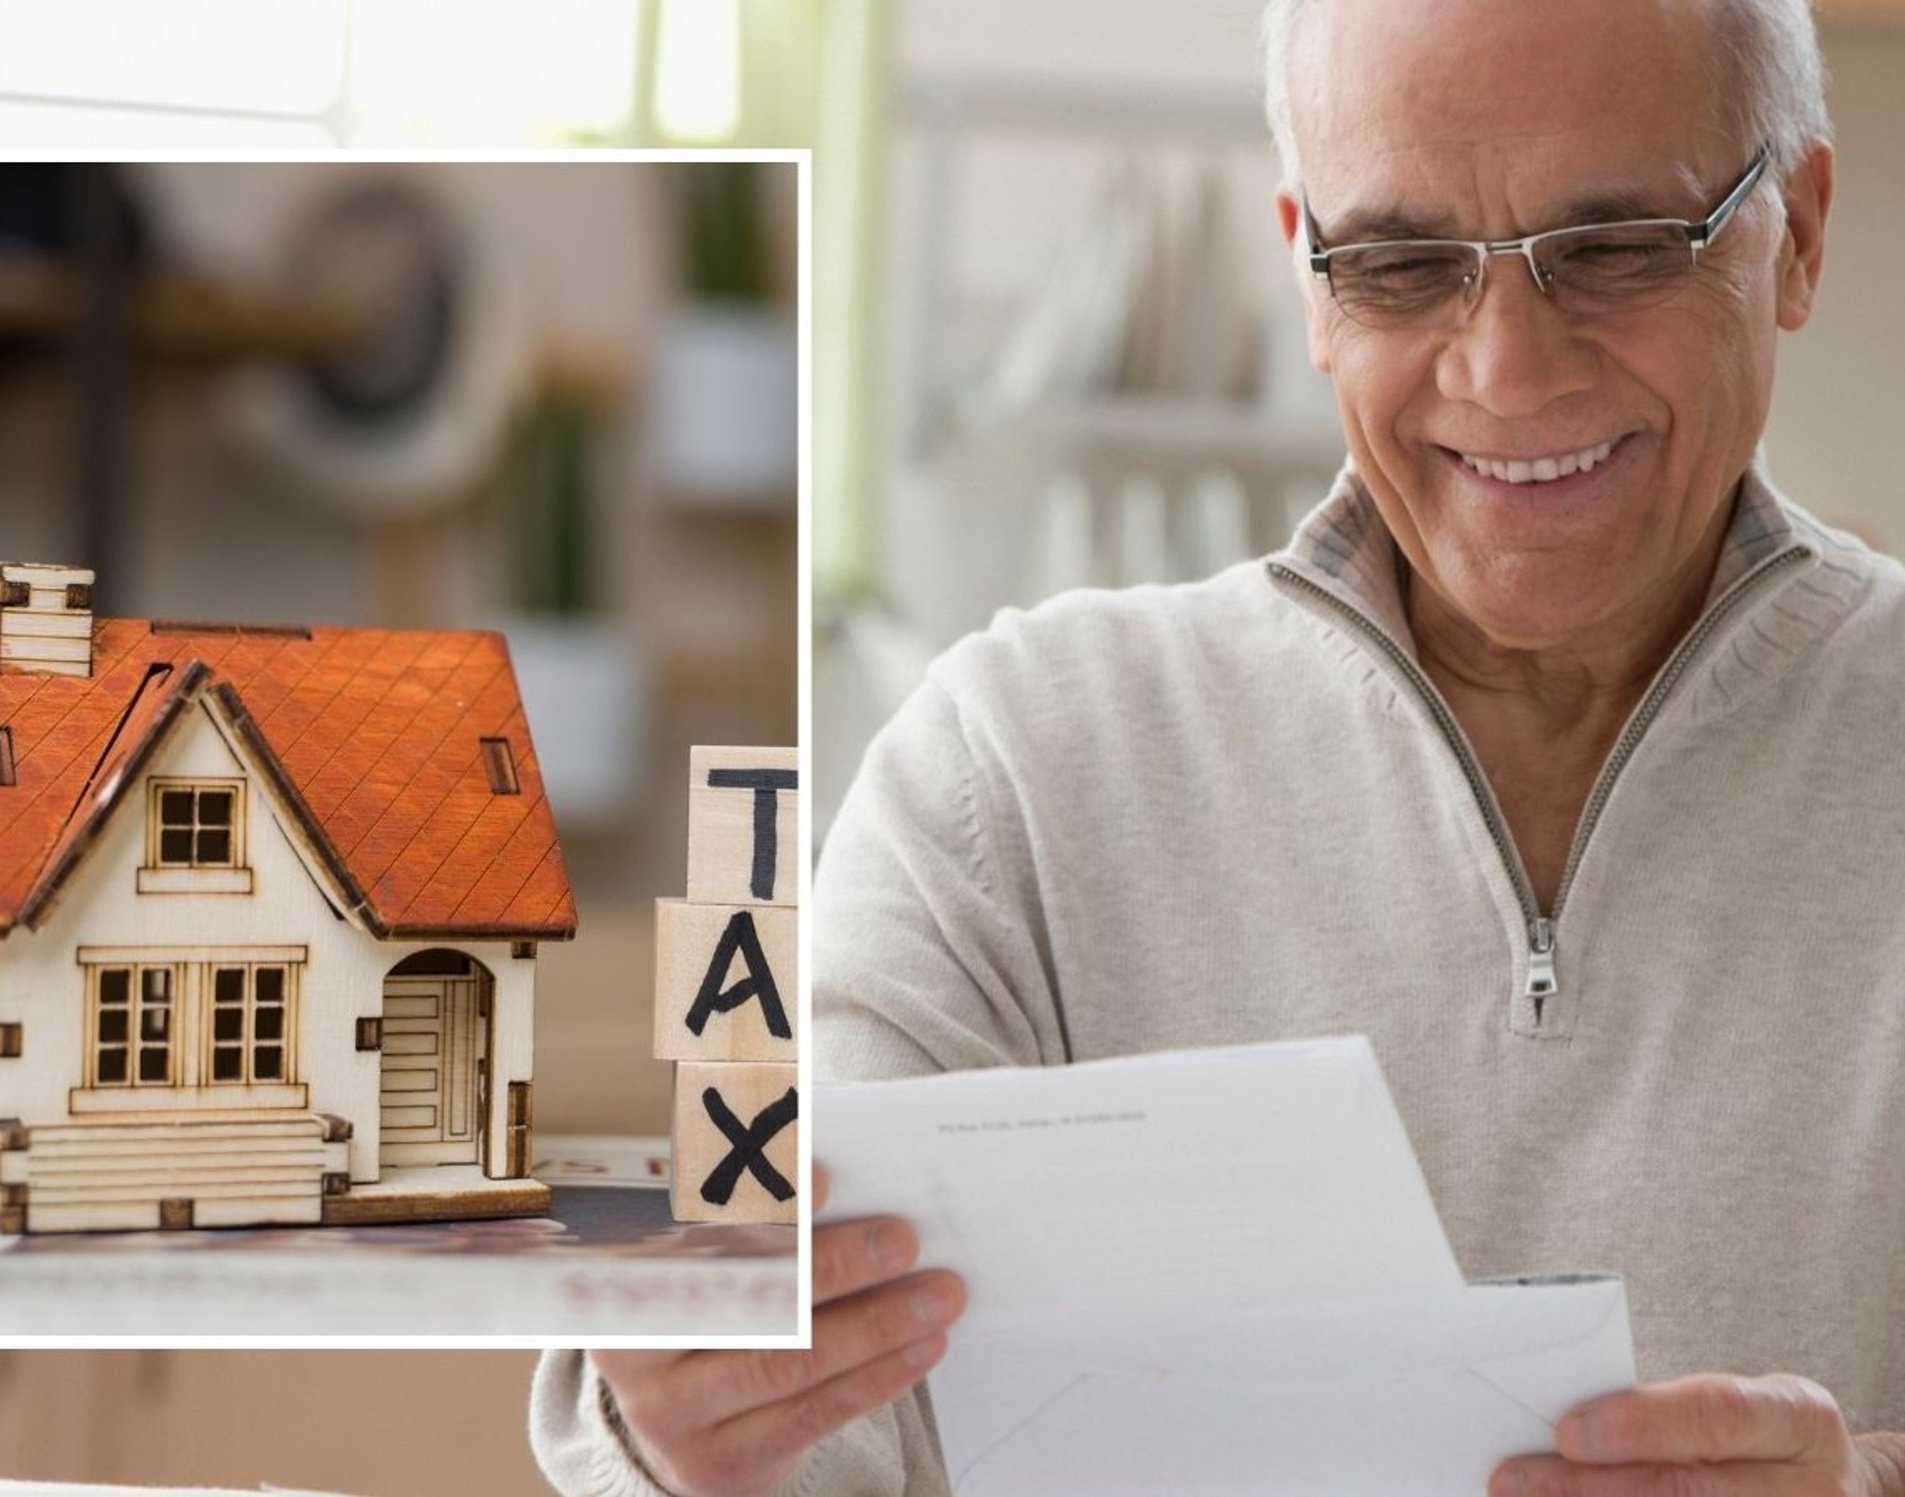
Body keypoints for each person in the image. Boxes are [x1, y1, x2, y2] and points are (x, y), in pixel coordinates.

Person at [533, 0, 1905, 1491]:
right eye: (1397, 266)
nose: (1505, 370)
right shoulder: (1012, 773)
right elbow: (801, 1420)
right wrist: (671, 1427)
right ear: (1313, 280)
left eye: (1618, 245)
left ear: (1801, 234)